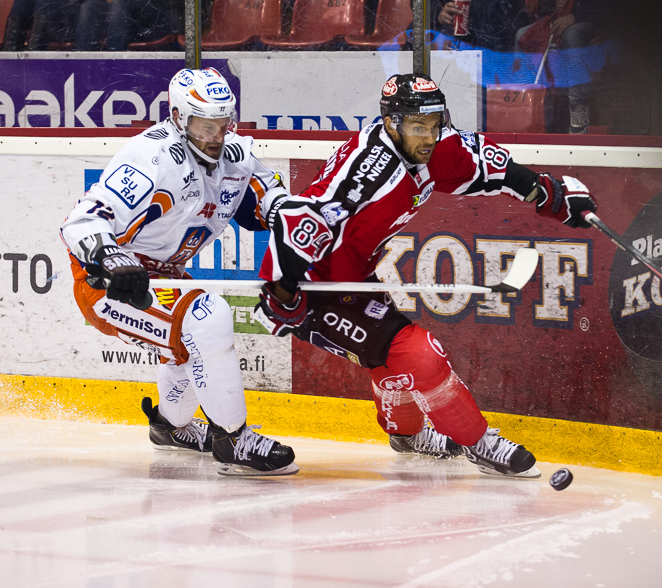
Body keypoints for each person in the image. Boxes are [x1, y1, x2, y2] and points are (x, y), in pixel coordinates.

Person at [256, 73, 598, 478]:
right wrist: (283, 293)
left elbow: (491, 165)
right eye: (419, 127)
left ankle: (407, 435)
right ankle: (479, 442)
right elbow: (303, 222)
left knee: (387, 359)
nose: (430, 137)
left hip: (357, 275)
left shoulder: (429, 146)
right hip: (312, 285)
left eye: (435, 126)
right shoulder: (367, 175)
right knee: (415, 353)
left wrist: (551, 195)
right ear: (391, 124)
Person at [59, 67, 297, 477]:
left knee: (191, 338)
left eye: (222, 125)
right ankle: (233, 441)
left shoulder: (236, 155)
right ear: (178, 118)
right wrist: (111, 257)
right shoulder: (151, 158)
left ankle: (170, 427)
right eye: (205, 126)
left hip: (166, 275)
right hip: (108, 282)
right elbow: (80, 222)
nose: (215, 137)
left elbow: (268, 201)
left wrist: (295, 222)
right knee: (208, 317)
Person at [514, 0, 623, 134]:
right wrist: (557, 2)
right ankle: (522, 102)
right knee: (522, 34)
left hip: (595, 26)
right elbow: (546, 3)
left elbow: (611, 8)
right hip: (566, 23)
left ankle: (578, 107)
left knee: (572, 34)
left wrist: (575, 17)